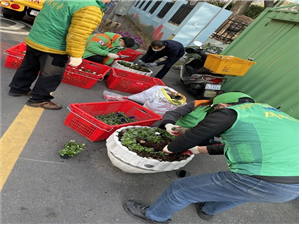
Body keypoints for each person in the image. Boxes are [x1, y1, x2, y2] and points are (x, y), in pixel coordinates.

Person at [123, 92, 299, 224]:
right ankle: (207, 210)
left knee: (182, 189)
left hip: (267, 179)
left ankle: (155, 216)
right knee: (238, 194)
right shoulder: (268, 114)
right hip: (294, 186)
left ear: (221, 106)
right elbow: (243, 146)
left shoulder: (230, 113)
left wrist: (171, 148)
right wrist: (199, 150)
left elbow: (196, 134)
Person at [8, 0, 106, 110]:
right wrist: (76, 54)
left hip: (36, 39)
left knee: (29, 66)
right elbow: (79, 33)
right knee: (50, 76)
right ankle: (39, 99)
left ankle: (18, 89)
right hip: (54, 47)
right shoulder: (90, 7)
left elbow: (40, 17)